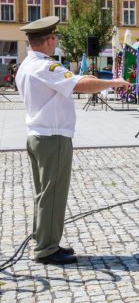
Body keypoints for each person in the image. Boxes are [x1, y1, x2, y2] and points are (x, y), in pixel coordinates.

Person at [15, 16, 131, 265]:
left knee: (43, 194)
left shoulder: (26, 64)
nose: (55, 41)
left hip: (37, 135)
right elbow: (81, 84)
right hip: (52, 138)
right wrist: (115, 82)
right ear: (48, 40)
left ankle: (45, 240)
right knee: (53, 194)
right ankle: (46, 249)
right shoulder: (46, 66)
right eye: (54, 37)